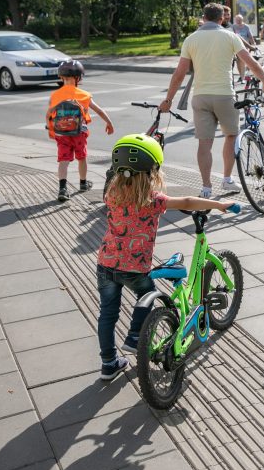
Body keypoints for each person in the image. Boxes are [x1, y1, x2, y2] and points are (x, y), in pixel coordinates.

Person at [96, 133, 236, 381]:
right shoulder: (153, 199)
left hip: (106, 265)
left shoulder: (111, 194)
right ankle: (135, 336)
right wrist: (219, 205)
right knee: (148, 297)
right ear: (153, 171)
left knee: (107, 314)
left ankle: (109, 364)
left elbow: (115, 177)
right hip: (135, 269)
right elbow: (188, 201)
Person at [160, 3, 264, 198]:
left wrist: (168, 99)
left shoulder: (191, 39)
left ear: (203, 17)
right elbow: (251, 64)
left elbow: (179, 73)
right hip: (224, 95)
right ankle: (227, 179)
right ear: (222, 19)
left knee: (204, 143)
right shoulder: (230, 36)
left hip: (200, 97)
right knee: (230, 136)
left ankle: (206, 188)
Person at [46, 60, 115, 202]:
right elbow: (99, 111)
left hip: (62, 134)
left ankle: (63, 188)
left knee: (63, 160)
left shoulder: (55, 95)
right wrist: (109, 123)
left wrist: (51, 129)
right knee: (82, 158)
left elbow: (49, 115)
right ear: (78, 78)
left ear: (61, 77)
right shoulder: (84, 95)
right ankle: (83, 183)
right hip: (79, 133)